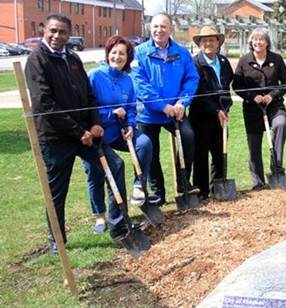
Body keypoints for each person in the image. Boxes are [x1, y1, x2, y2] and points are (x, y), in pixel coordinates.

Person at [25, 14, 129, 254]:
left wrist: (94, 124)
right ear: (44, 31)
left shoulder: (73, 59)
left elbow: (89, 96)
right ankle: (57, 241)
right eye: (53, 31)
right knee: (57, 191)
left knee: (115, 165)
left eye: (62, 32)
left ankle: (118, 225)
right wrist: (78, 130)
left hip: (86, 135)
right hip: (56, 138)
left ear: (69, 35)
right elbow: (44, 104)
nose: (57, 36)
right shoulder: (37, 60)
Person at [82, 35, 158, 234]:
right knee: (96, 173)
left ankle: (138, 187)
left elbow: (131, 107)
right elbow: (86, 108)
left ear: (128, 57)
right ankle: (100, 215)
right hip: (96, 135)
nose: (117, 56)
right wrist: (109, 113)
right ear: (107, 54)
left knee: (144, 143)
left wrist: (131, 124)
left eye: (122, 53)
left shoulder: (127, 80)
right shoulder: (95, 76)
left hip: (118, 132)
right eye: (114, 52)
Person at [132, 13, 200, 204]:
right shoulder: (139, 53)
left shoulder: (182, 52)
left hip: (175, 112)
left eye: (163, 27)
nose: (158, 30)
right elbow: (139, 84)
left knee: (187, 136)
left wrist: (181, 103)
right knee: (150, 150)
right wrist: (162, 106)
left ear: (171, 29)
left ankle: (183, 181)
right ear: (149, 28)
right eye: (155, 27)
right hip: (148, 113)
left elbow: (191, 78)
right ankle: (157, 193)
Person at [233, 28, 286, 190]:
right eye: (254, 39)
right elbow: (237, 85)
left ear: (267, 42)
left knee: (280, 125)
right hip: (252, 109)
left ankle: (277, 167)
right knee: (254, 145)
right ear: (251, 42)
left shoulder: (276, 59)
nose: (257, 42)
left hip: (274, 105)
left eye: (261, 39)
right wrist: (253, 96)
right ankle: (258, 181)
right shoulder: (244, 61)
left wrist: (272, 95)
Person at [189, 26, 234, 199]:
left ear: (218, 43)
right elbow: (198, 93)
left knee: (220, 153)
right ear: (200, 44)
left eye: (212, 40)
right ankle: (202, 192)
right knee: (200, 155)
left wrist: (225, 107)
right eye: (204, 40)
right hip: (201, 116)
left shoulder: (223, 62)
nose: (208, 43)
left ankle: (218, 188)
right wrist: (215, 110)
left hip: (221, 116)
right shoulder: (195, 63)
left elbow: (226, 86)